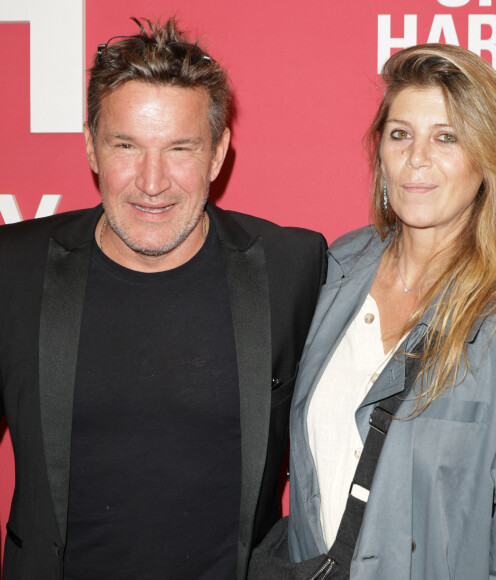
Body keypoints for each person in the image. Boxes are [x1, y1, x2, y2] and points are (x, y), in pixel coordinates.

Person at [0, 17, 326, 580]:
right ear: (91, 147)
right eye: (126, 145)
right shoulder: (12, 268)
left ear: (218, 153)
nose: (152, 182)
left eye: (180, 148)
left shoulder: (292, 266)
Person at [286, 44, 496, 579]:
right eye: (401, 134)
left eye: (447, 138)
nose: (416, 158)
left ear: (488, 158)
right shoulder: (330, 271)